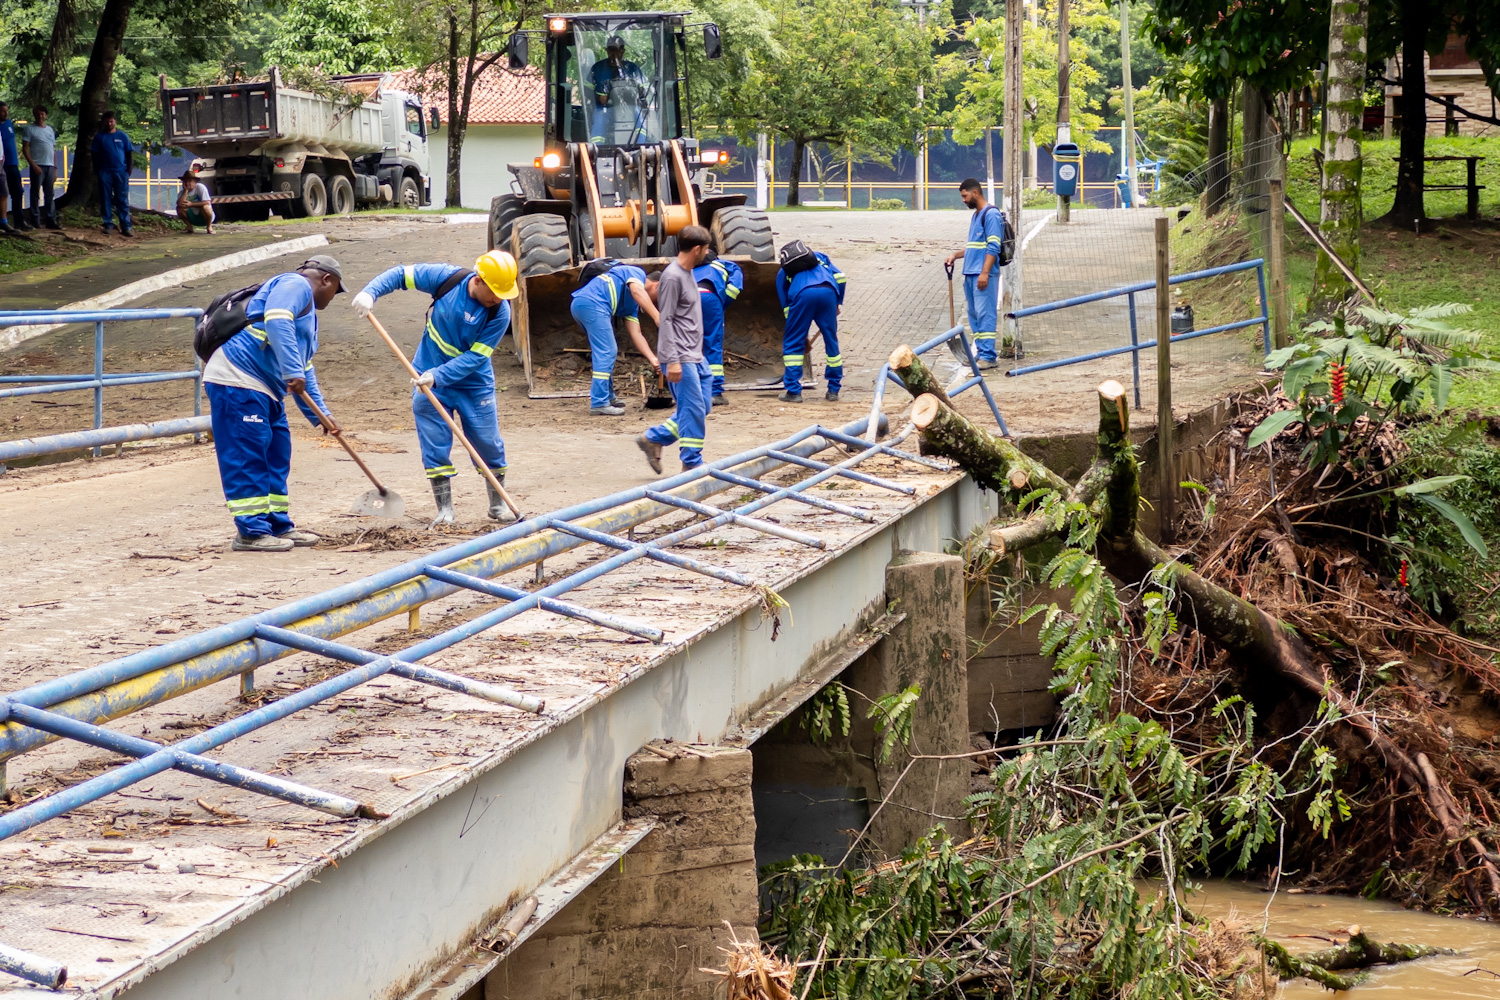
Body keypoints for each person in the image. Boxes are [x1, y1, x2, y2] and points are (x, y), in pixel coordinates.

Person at [351, 251, 520, 526]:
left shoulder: (500, 313)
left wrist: (438, 376)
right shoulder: (447, 279)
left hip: (473, 384)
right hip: (426, 377)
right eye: (495, 292)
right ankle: (444, 510)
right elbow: (401, 275)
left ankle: (497, 504)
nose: (499, 299)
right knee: (434, 442)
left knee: (488, 443)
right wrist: (370, 293)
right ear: (478, 280)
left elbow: (476, 358)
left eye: (504, 294)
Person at [202, 256, 345, 551]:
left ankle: (277, 525)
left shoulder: (308, 319)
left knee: (277, 453)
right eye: (336, 290)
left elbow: (304, 368)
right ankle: (251, 532)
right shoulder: (295, 284)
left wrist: (320, 414)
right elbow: (277, 319)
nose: (334, 297)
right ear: (326, 280)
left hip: (268, 389)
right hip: (238, 379)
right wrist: (292, 371)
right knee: (247, 455)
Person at [638, 225, 713, 474]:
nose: (707, 253)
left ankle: (654, 438)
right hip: (681, 355)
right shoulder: (672, 277)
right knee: (693, 408)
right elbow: (666, 319)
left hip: (695, 354)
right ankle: (691, 463)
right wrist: (672, 360)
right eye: (706, 249)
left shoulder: (688, 272)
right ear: (696, 249)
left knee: (703, 405)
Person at [569, 259, 661, 416]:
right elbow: (637, 291)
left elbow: (636, 333)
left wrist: (653, 359)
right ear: (658, 285)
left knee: (604, 352)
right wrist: (657, 316)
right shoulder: (636, 273)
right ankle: (599, 402)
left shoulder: (631, 305)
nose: (657, 301)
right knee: (607, 351)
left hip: (584, 305)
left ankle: (608, 396)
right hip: (592, 304)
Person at [945, 178, 1007, 369]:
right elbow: (974, 247)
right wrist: (956, 255)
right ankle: (980, 353)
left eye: (965, 196)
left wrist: (985, 273)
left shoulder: (991, 215)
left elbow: (994, 246)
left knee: (985, 314)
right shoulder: (976, 216)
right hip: (971, 273)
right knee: (974, 315)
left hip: (983, 274)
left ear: (975, 193)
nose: (963, 200)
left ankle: (988, 356)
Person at [776, 244, 846, 403]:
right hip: (828, 293)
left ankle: (793, 391)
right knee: (831, 341)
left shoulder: (783, 271)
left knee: (792, 344)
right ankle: (833, 390)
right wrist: (837, 302)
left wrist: (797, 332)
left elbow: (786, 304)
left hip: (802, 295)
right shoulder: (821, 257)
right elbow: (841, 277)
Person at [693, 250, 743, 406]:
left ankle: (692, 390)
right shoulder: (723, 265)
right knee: (712, 344)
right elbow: (735, 286)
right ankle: (714, 392)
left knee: (690, 344)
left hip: (687, 298)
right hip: (709, 298)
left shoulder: (689, 268)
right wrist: (723, 303)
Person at [590, 34, 648, 143]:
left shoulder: (633, 69)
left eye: (618, 50)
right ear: (607, 50)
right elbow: (586, 92)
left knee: (640, 117)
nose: (615, 54)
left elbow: (643, 93)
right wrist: (598, 98)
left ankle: (641, 147)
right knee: (599, 118)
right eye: (611, 50)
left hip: (631, 107)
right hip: (605, 109)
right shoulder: (597, 68)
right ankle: (596, 148)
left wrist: (637, 95)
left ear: (623, 51)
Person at [90, 110, 135, 235]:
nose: (109, 124)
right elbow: (94, 154)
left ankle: (126, 226)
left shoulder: (122, 136)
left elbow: (129, 153)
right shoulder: (99, 137)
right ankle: (108, 224)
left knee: (122, 199)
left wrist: (128, 170)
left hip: (121, 171)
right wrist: (97, 170)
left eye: (111, 121)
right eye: (107, 122)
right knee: (105, 198)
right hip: (105, 172)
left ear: (115, 121)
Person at [21, 105, 58, 230]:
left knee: (49, 194)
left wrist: (55, 168)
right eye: (37, 114)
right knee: (35, 194)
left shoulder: (50, 130)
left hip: (49, 166)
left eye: (42, 114)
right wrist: (33, 165)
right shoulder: (29, 129)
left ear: (46, 115)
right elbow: (25, 149)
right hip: (37, 165)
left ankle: (51, 220)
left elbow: (52, 149)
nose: (40, 116)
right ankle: (35, 221)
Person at [0, 102, 25, 231]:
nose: (5, 113)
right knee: (3, 192)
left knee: (17, 192)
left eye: (6, 111)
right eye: (2, 111)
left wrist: (17, 157)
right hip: (2, 164)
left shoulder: (9, 123)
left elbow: (13, 140)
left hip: (13, 163)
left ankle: (19, 221)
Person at [177, 170, 215, 234]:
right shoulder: (181, 193)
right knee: (179, 209)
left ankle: (209, 227)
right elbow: (179, 204)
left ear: (195, 182)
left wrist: (191, 204)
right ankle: (189, 227)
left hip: (204, 216)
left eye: (189, 181)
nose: (187, 183)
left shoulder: (200, 187)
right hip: (192, 217)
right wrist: (186, 191)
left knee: (206, 207)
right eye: (185, 181)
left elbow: (207, 202)